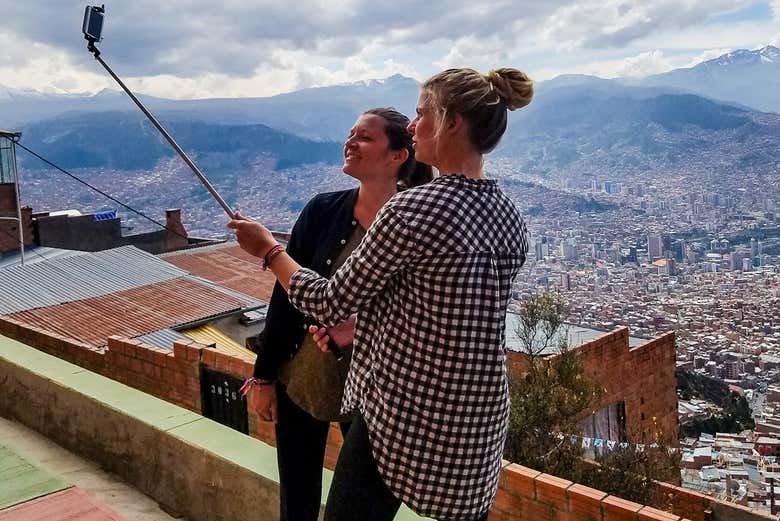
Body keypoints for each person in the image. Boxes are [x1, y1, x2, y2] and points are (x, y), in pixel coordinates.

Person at [230, 67, 533, 521]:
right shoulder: (507, 215)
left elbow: (330, 301)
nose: (413, 126)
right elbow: (443, 312)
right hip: (476, 416)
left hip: (402, 411)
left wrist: (269, 251)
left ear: (452, 123)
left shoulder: (412, 209)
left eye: (421, 114)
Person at [244, 107, 432, 521]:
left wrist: (356, 329)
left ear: (397, 155)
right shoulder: (323, 210)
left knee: (361, 505)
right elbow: (286, 297)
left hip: (371, 394)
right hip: (304, 379)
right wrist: (264, 375)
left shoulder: (413, 227)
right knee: (297, 501)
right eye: (350, 133)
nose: (349, 142)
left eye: (364, 137)